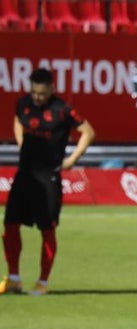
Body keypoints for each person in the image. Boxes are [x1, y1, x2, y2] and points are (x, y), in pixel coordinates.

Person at [2, 68, 95, 296]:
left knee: (47, 230)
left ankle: (42, 282)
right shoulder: (23, 103)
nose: (37, 97)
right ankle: (13, 278)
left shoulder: (62, 110)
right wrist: (21, 143)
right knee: (10, 225)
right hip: (25, 174)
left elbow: (88, 132)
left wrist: (72, 159)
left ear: (52, 89)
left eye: (42, 93)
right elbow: (18, 120)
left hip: (48, 178)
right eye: (34, 92)